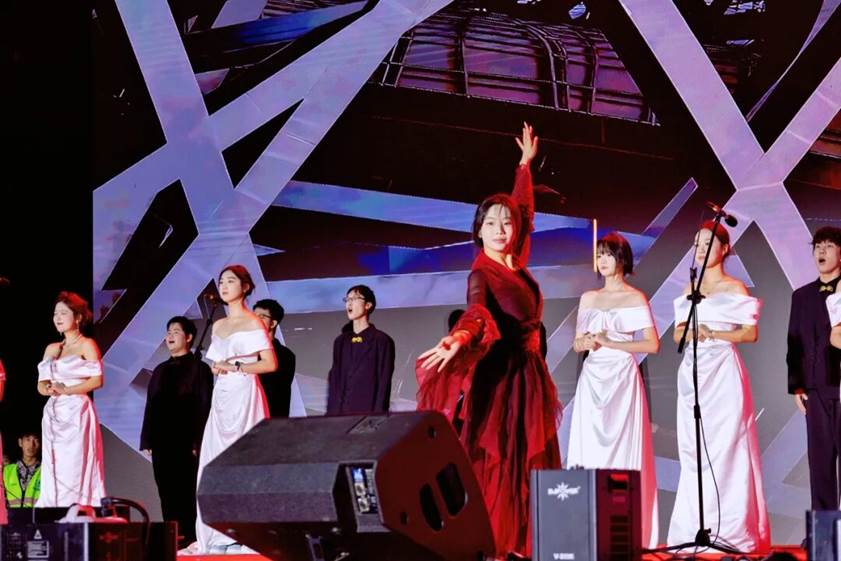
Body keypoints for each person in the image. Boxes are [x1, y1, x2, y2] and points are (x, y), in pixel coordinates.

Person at [416, 123, 562, 558]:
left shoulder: (516, 260)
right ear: (478, 231)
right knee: (501, 460)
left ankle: (522, 542)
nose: (501, 229)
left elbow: (524, 211)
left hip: (529, 376)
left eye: (507, 223)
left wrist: (524, 167)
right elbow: (477, 313)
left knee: (528, 460)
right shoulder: (483, 271)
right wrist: (459, 337)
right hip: (502, 379)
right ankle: (492, 542)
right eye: (492, 223)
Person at [667, 222, 769, 552]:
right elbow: (677, 333)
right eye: (697, 243)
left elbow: (749, 333)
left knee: (728, 446)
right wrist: (693, 333)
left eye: (708, 243)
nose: (700, 248)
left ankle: (732, 530)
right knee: (694, 448)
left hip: (723, 369)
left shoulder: (734, 287)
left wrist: (713, 334)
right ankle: (695, 525)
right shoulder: (689, 288)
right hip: (694, 371)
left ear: (724, 249)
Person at [568, 232, 659, 547]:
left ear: (622, 259)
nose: (602, 260)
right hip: (593, 378)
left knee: (623, 452)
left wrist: (612, 342)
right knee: (590, 447)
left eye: (608, 254)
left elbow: (652, 344)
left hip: (622, 378)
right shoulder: (588, 298)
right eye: (599, 255)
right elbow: (578, 342)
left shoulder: (636, 298)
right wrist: (585, 342)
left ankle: (626, 529)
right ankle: (587, 529)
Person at [193, 265, 277, 554]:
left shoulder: (254, 322)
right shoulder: (218, 325)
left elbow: (270, 363)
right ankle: (219, 533)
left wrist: (236, 366)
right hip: (222, 396)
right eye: (221, 282)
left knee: (243, 458)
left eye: (231, 281)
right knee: (216, 459)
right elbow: (217, 361)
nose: (224, 286)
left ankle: (248, 532)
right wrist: (219, 368)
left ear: (245, 287)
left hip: (244, 393)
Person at [140, 316, 213, 547]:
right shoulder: (160, 369)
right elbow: (151, 405)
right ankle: (175, 540)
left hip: (186, 441)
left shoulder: (200, 369)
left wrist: (198, 442)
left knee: (187, 490)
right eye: (168, 332)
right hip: (161, 440)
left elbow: (204, 406)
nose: (170, 336)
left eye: (176, 332)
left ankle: (191, 539)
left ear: (189, 337)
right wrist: (147, 439)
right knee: (166, 490)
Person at [35, 292, 106, 507]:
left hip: (77, 411)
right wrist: (47, 389)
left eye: (63, 313)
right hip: (53, 413)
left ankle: (78, 506)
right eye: (55, 313)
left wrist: (67, 390)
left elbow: (97, 380)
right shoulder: (52, 348)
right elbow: (41, 384)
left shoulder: (87, 344)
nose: (57, 317)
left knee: (75, 462)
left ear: (78, 317)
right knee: (53, 464)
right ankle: (53, 508)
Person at [787, 226, 841, 512]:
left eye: (829, 245)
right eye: (818, 245)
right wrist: (797, 385)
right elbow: (794, 343)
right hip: (815, 390)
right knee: (820, 467)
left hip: (840, 386)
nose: (821, 250)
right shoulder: (801, 296)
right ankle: (824, 533)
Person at [326, 285, 395, 415]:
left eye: (354, 299)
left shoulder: (382, 341)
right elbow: (335, 381)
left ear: (368, 305)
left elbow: (384, 383)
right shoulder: (340, 342)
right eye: (347, 299)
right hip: (340, 414)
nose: (349, 303)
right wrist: (331, 415)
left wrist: (376, 417)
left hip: (367, 414)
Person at [253, 299, 296, 417]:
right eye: (253, 316)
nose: (255, 321)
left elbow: (276, 392)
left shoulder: (285, 355)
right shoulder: (246, 351)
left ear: (272, 323)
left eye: (261, 317)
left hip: (269, 418)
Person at [4, 431, 41, 509]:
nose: (31, 445)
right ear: (20, 442)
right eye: (28, 439)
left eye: (36, 440)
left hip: (36, 516)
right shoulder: (6, 470)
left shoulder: (46, 471)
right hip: (12, 516)